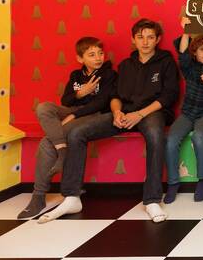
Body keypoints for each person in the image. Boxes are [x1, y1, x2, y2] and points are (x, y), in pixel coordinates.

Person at [39, 19, 179, 223]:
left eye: (150, 37)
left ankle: (151, 200)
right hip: (123, 113)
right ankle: (71, 196)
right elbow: (115, 96)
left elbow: (169, 96)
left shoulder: (166, 62)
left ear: (158, 39)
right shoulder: (125, 65)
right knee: (77, 133)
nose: (145, 42)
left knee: (156, 135)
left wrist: (139, 114)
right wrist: (117, 113)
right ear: (133, 39)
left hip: (152, 112)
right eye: (140, 37)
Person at [17, 37, 117, 219]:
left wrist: (74, 115)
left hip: (92, 115)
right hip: (72, 111)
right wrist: (81, 92)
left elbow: (102, 103)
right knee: (44, 107)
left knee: (47, 143)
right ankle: (61, 148)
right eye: (92, 55)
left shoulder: (109, 75)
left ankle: (38, 196)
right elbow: (66, 100)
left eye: (100, 54)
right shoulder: (76, 75)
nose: (98, 58)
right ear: (80, 59)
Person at [164, 19, 203, 203]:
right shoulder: (190, 67)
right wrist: (187, 30)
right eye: (201, 49)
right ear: (195, 51)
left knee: (199, 136)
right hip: (188, 113)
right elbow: (182, 52)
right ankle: (173, 183)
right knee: (171, 140)